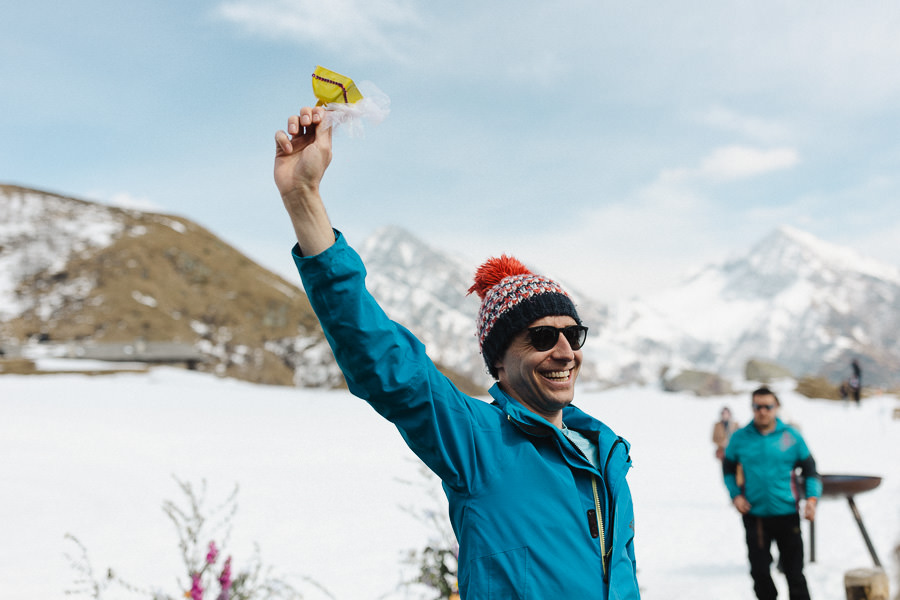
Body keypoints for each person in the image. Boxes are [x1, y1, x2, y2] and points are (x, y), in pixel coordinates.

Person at [274, 106, 640, 599]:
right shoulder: (478, 443)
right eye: (540, 337)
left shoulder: (605, 454)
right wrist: (303, 198)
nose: (563, 351)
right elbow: (386, 364)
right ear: (498, 362)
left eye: (573, 335)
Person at [722, 387, 821, 600]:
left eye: (768, 406)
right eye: (758, 406)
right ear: (752, 407)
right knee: (759, 572)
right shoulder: (740, 438)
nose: (763, 411)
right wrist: (735, 495)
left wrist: (812, 499)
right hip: (755, 515)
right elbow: (728, 468)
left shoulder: (791, 436)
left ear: (776, 408)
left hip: (787, 513)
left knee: (794, 573)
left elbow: (811, 470)